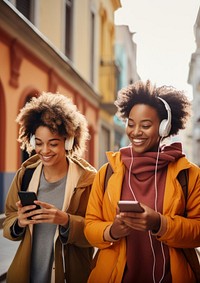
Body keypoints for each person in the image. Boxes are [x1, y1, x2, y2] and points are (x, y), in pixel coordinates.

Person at [84, 80, 200, 283]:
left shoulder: (188, 175)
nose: (135, 132)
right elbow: (90, 226)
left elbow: (198, 232)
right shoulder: (107, 172)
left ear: (164, 128)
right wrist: (111, 231)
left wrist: (159, 223)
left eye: (145, 125)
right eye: (131, 123)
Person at [3, 92, 97, 283]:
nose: (44, 151)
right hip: (27, 275)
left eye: (53, 144)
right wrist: (19, 222)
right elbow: (9, 220)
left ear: (68, 141)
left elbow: (96, 234)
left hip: (71, 275)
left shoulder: (88, 180)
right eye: (38, 143)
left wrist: (65, 220)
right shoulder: (25, 174)